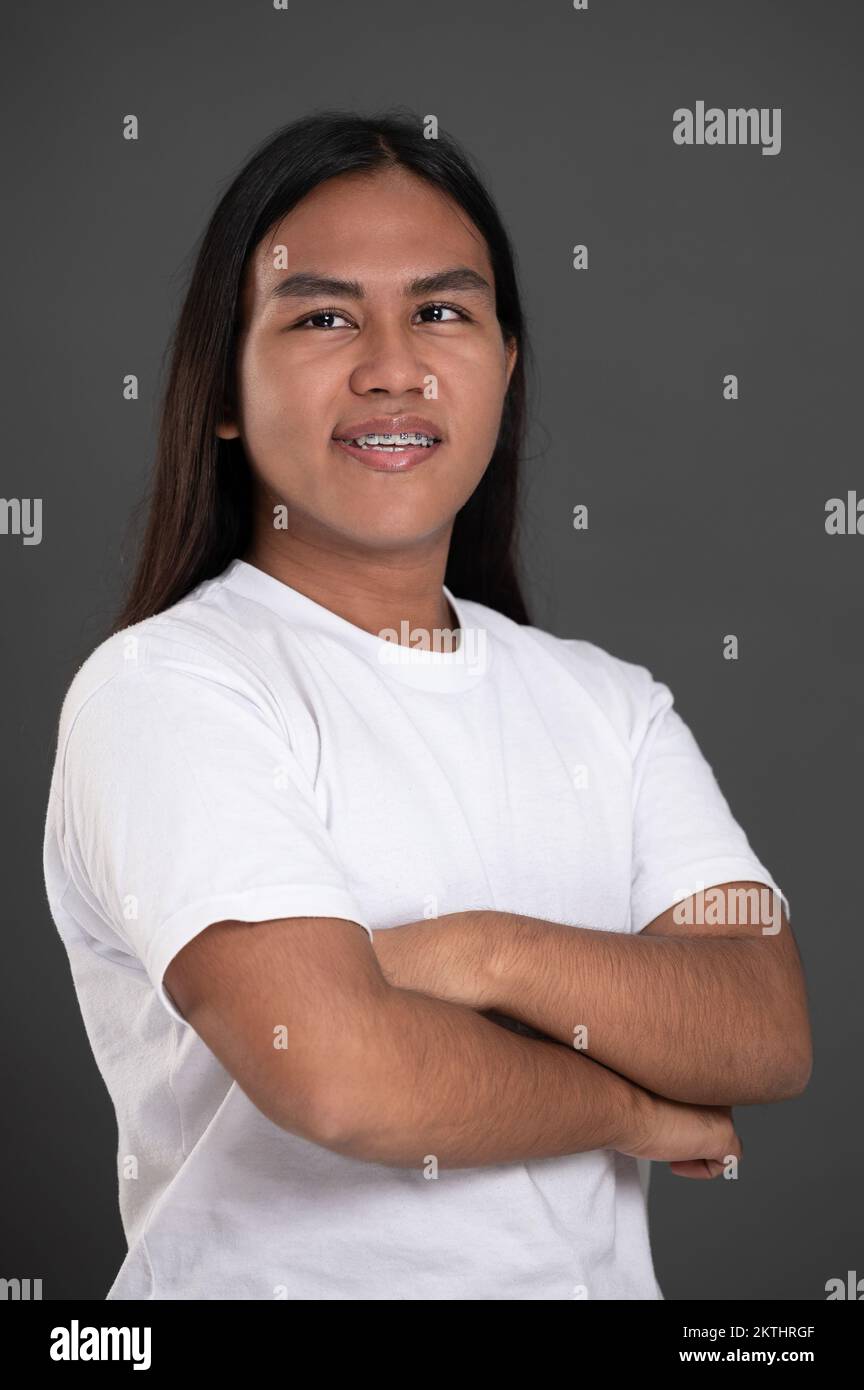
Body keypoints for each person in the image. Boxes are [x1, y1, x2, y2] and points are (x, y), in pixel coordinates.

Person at [42, 109, 812, 1301]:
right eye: (323, 315)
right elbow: (341, 1076)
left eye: (443, 312)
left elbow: (763, 1024)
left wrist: (474, 949)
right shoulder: (166, 689)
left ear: (506, 364)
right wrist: (625, 1105)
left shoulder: (612, 707)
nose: (393, 365)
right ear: (225, 390)